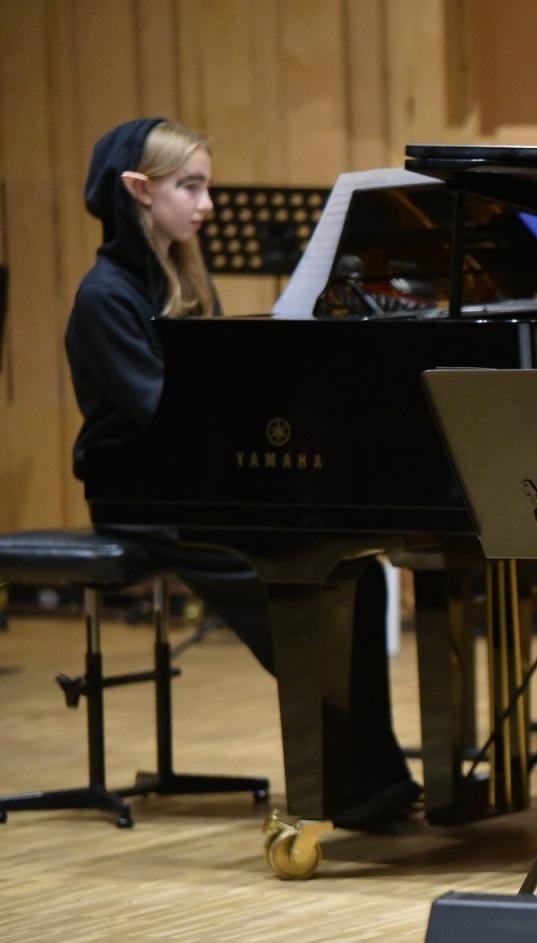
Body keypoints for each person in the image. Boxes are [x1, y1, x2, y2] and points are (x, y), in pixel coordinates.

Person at [64, 117, 418, 828]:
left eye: (207, 186)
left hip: (195, 482)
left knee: (360, 574)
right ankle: (340, 786)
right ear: (138, 189)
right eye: (189, 187)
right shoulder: (105, 296)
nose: (207, 205)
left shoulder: (183, 278)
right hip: (142, 495)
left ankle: (371, 777)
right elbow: (159, 410)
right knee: (298, 579)